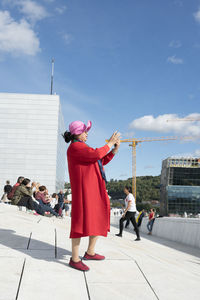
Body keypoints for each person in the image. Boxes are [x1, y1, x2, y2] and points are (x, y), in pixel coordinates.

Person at [63, 120, 120, 271]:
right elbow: (96, 155)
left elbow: (99, 161)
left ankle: (90, 252)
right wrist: (109, 144)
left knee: (97, 217)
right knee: (79, 222)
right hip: (84, 190)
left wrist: (113, 150)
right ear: (77, 133)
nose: (87, 134)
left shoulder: (82, 147)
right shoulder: (75, 147)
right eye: (85, 131)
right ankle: (75, 259)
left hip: (92, 189)